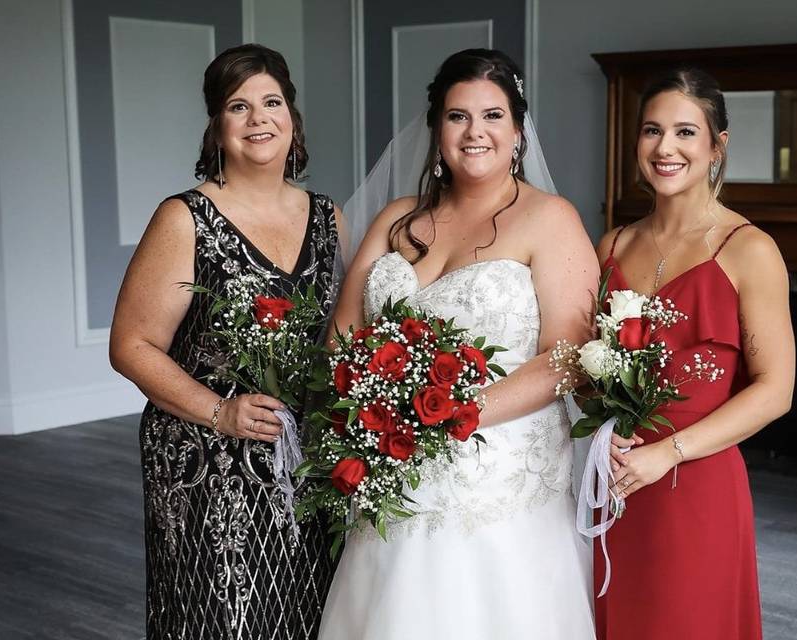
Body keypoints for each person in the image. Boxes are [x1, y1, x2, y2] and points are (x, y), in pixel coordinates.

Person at [317, 48, 598, 639]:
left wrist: (449, 420)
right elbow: (344, 331)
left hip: (498, 472)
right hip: (393, 462)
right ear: (436, 129)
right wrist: (374, 413)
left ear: (518, 131)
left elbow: (566, 357)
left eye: (493, 116)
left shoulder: (551, 219)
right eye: (457, 116)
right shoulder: (396, 220)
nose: (475, 133)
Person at [109, 44, 339, 639]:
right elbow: (131, 345)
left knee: (307, 613)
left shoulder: (328, 216)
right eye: (239, 106)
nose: (259, 118)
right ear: (217, 126)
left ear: (292, 116)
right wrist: (221, 412)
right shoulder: (184, 218)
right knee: (220, 618)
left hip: (303, 461)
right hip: (204, 460)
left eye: (272, 102)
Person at [593, 67, 795, 639]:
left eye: (685, 132)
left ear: (716, 146)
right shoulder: (612, 243)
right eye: (652, 131)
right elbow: (588, 366)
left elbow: (776, 391)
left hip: (696, 482)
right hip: (614, 478)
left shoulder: (750, 250)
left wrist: (670, 453)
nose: (665, 148)